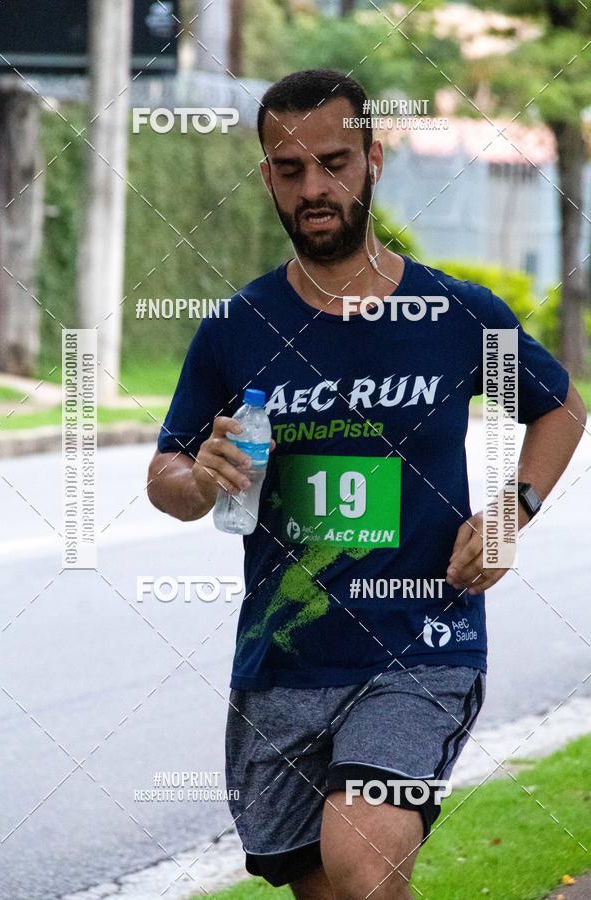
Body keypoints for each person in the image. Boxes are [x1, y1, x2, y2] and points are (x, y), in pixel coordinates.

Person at [147, 69, 585, 899]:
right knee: (343, 889)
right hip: (280, 665)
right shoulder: (237, 331)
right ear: (267, 176)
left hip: (421, 651)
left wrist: (512, 509)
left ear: (374, 160)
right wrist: (196, 474)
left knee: (361, 855)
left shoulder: (456, 318)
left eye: (335, 162)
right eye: (289, 169)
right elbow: (167, 477)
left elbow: (560, 405)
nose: (314, 187)